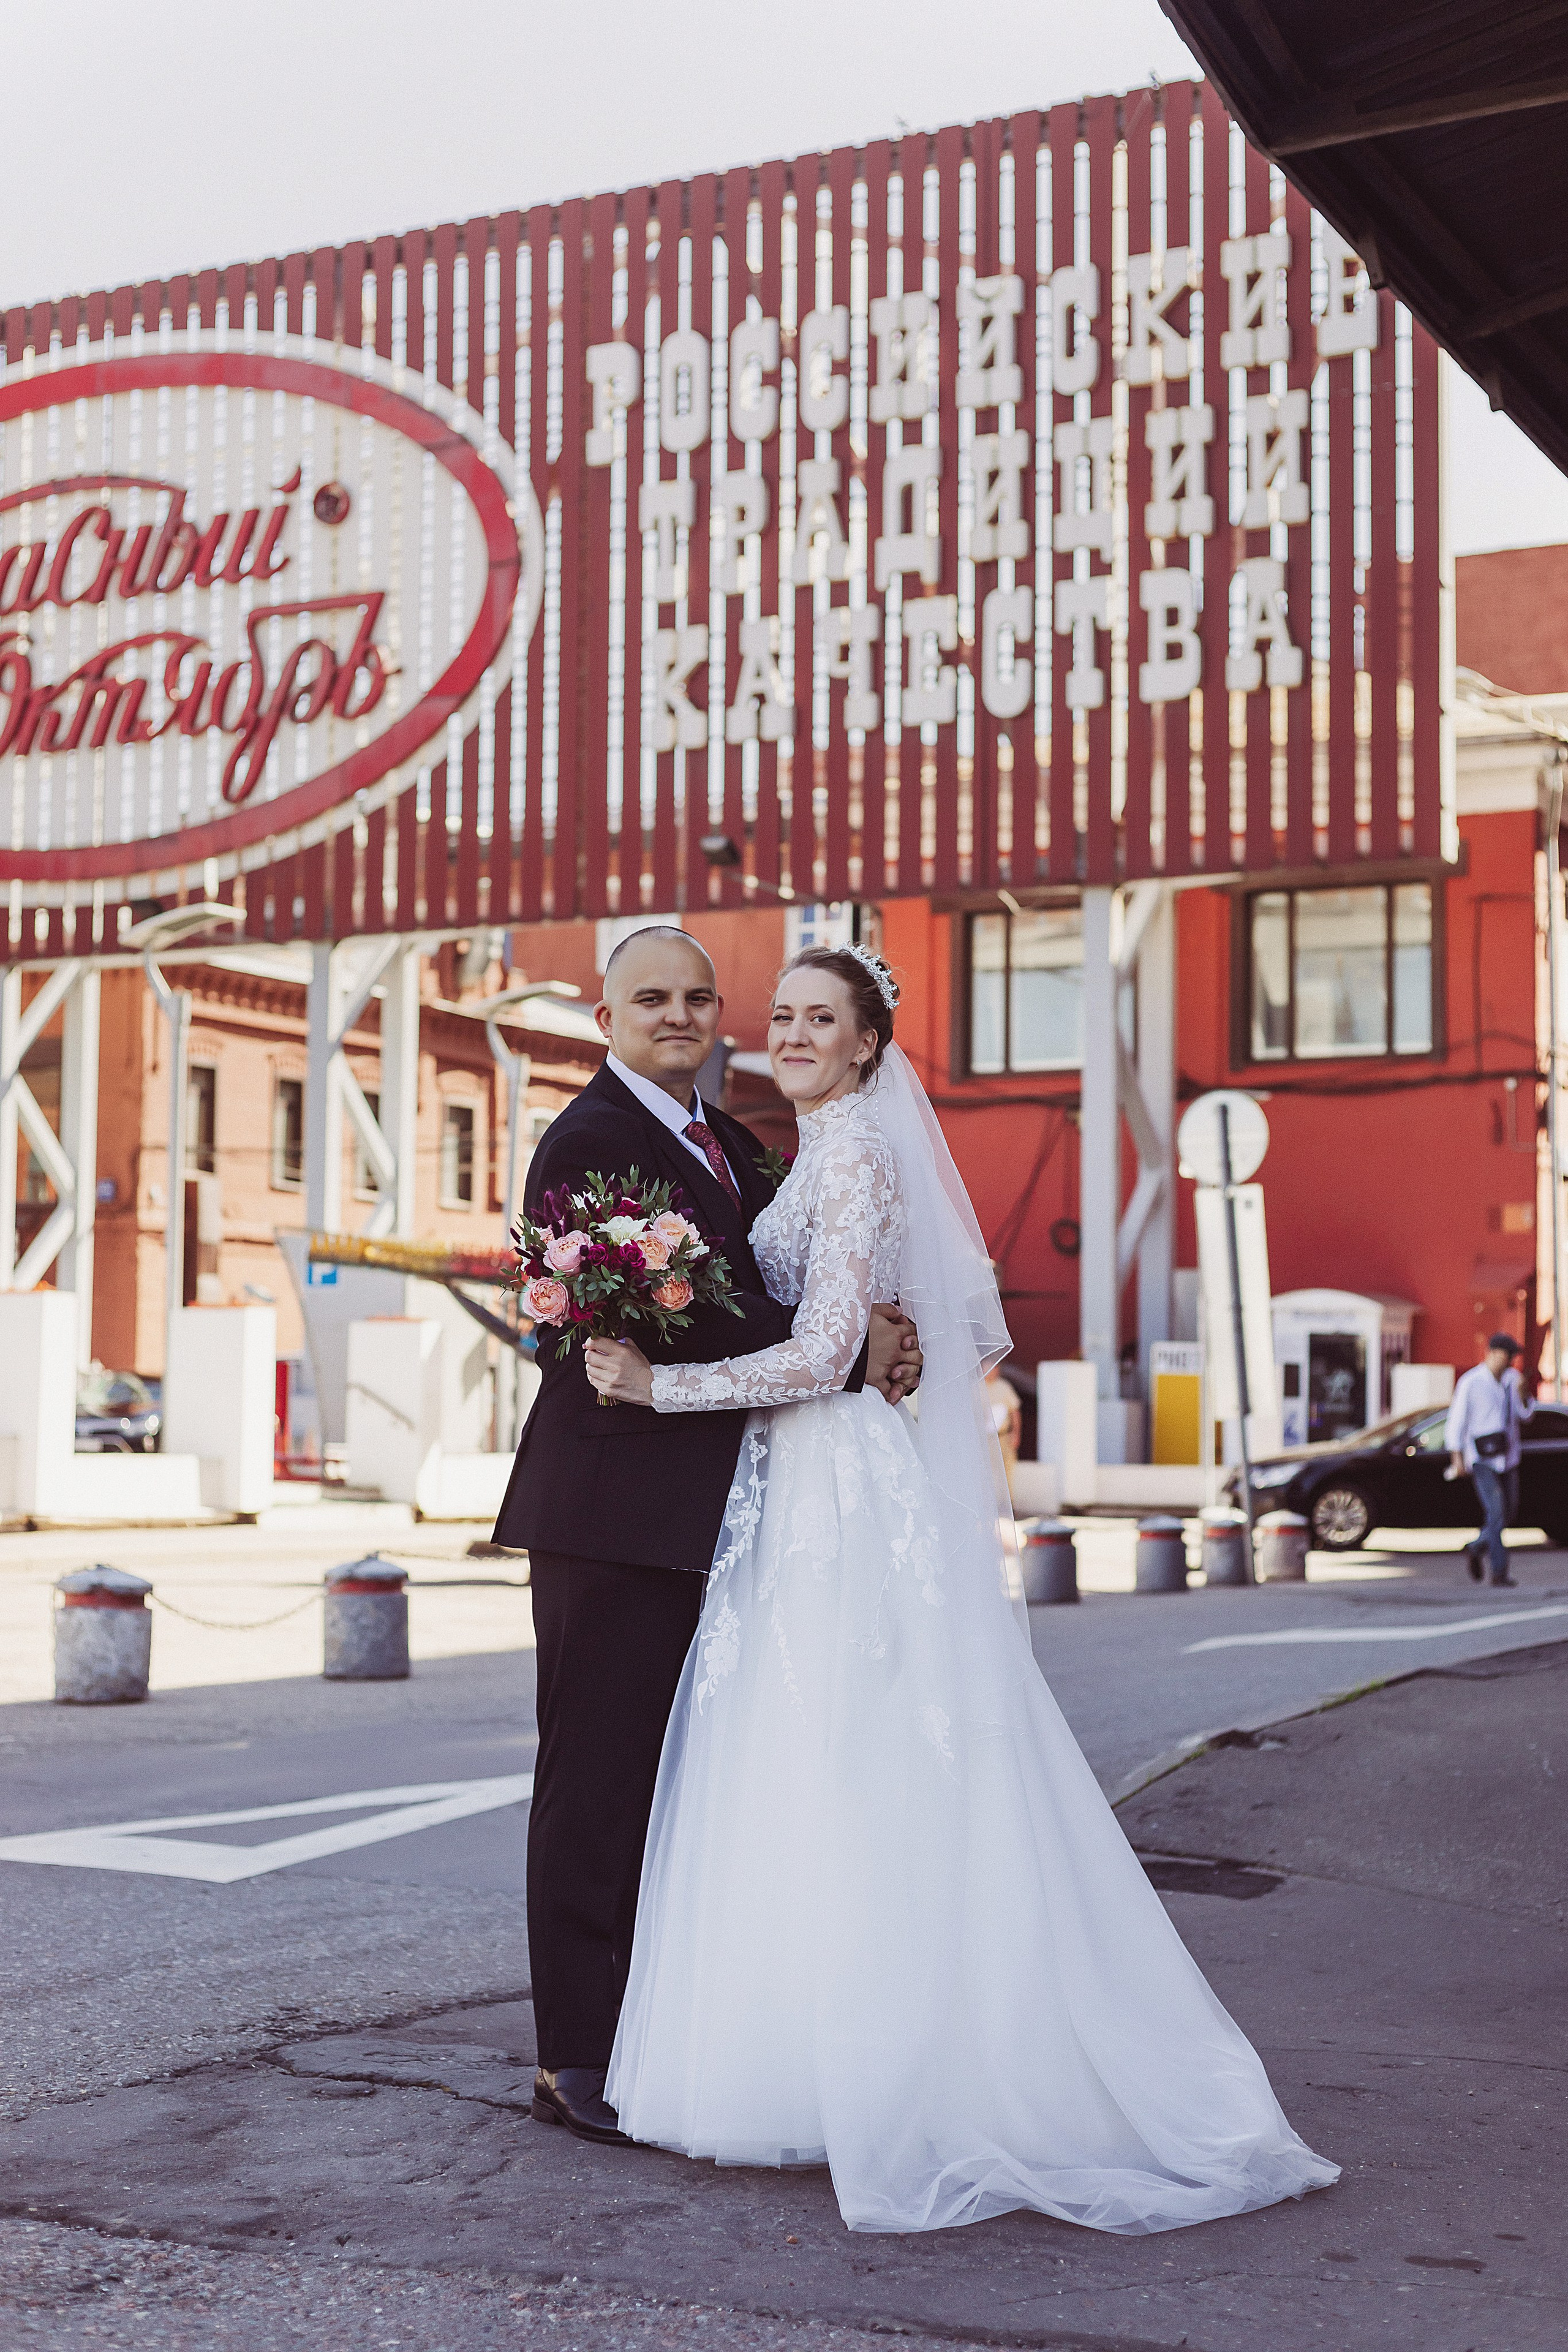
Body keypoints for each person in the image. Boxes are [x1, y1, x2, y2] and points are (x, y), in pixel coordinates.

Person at [584, 943, 1338, 2237]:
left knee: (865, 1756)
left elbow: (824, 1350)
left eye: (823, 1019)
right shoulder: (804, 1151)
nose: (796, 1034)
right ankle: (804, 2065)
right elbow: (839, 1328)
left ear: (872, 1044)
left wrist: (665, 1385)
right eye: (784, 1017)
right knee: (804, 1756)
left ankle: (907, 2069)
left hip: (837, 1485)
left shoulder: (860, 1152)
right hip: (800, 1483)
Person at [491, 927, 921, 2147]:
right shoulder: (586, 1146)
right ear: (604, 1014)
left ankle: (660, 2033)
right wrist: (846, 1353)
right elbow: (680, 1325)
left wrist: (869, 1329)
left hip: (727, 1510)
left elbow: (770, 1282)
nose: (677, 1017)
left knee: (690, 1788)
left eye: (694, 998)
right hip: (611, 1509)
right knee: (596, 1781)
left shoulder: (726, 1134)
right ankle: (572, 2053)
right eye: (650, 1000)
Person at [1446, 1332, 1534, 1587]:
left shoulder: (1512, 1380)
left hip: (1509, 1457)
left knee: (1508, 1514)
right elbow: (1457, 1422)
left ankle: (1476, 1547)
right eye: (1509, 1356)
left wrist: (1525, 1394)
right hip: (1482, 1460)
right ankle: (1499, 1573)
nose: (1512, 1361)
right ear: (1494, 1353)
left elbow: (1525, 1415)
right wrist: (1457, 1458)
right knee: (1495, 1513)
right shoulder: (1471, 1382)